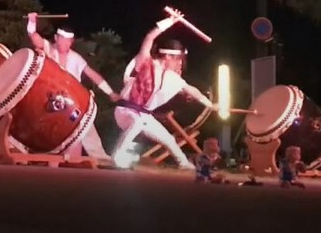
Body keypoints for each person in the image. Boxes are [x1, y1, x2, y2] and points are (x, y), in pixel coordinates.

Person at [113, 11, 218, 170]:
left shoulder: (171, 77)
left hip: (143, 115)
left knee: (167, 138)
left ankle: (183, 163)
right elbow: (149, 38)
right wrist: (169, 21)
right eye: (178, 60)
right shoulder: (145, 62)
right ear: (168, 57)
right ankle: (118, 155)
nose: (179, 64)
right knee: (136, 123)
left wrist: (210, 104)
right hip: (125, 111)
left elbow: (192, 90)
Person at [26, 13, 120, 162]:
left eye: (68, 41)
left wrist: (110, 92)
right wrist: (32, 22)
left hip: (73, 102)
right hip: (50, 101)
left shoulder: (76, 58)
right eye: (62, 40)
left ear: (71, 42)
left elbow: (92, 74)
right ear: (56, 38)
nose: (65, 44)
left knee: (85, 123)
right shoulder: (49, 49)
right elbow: (35, 38)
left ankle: (101, 159)